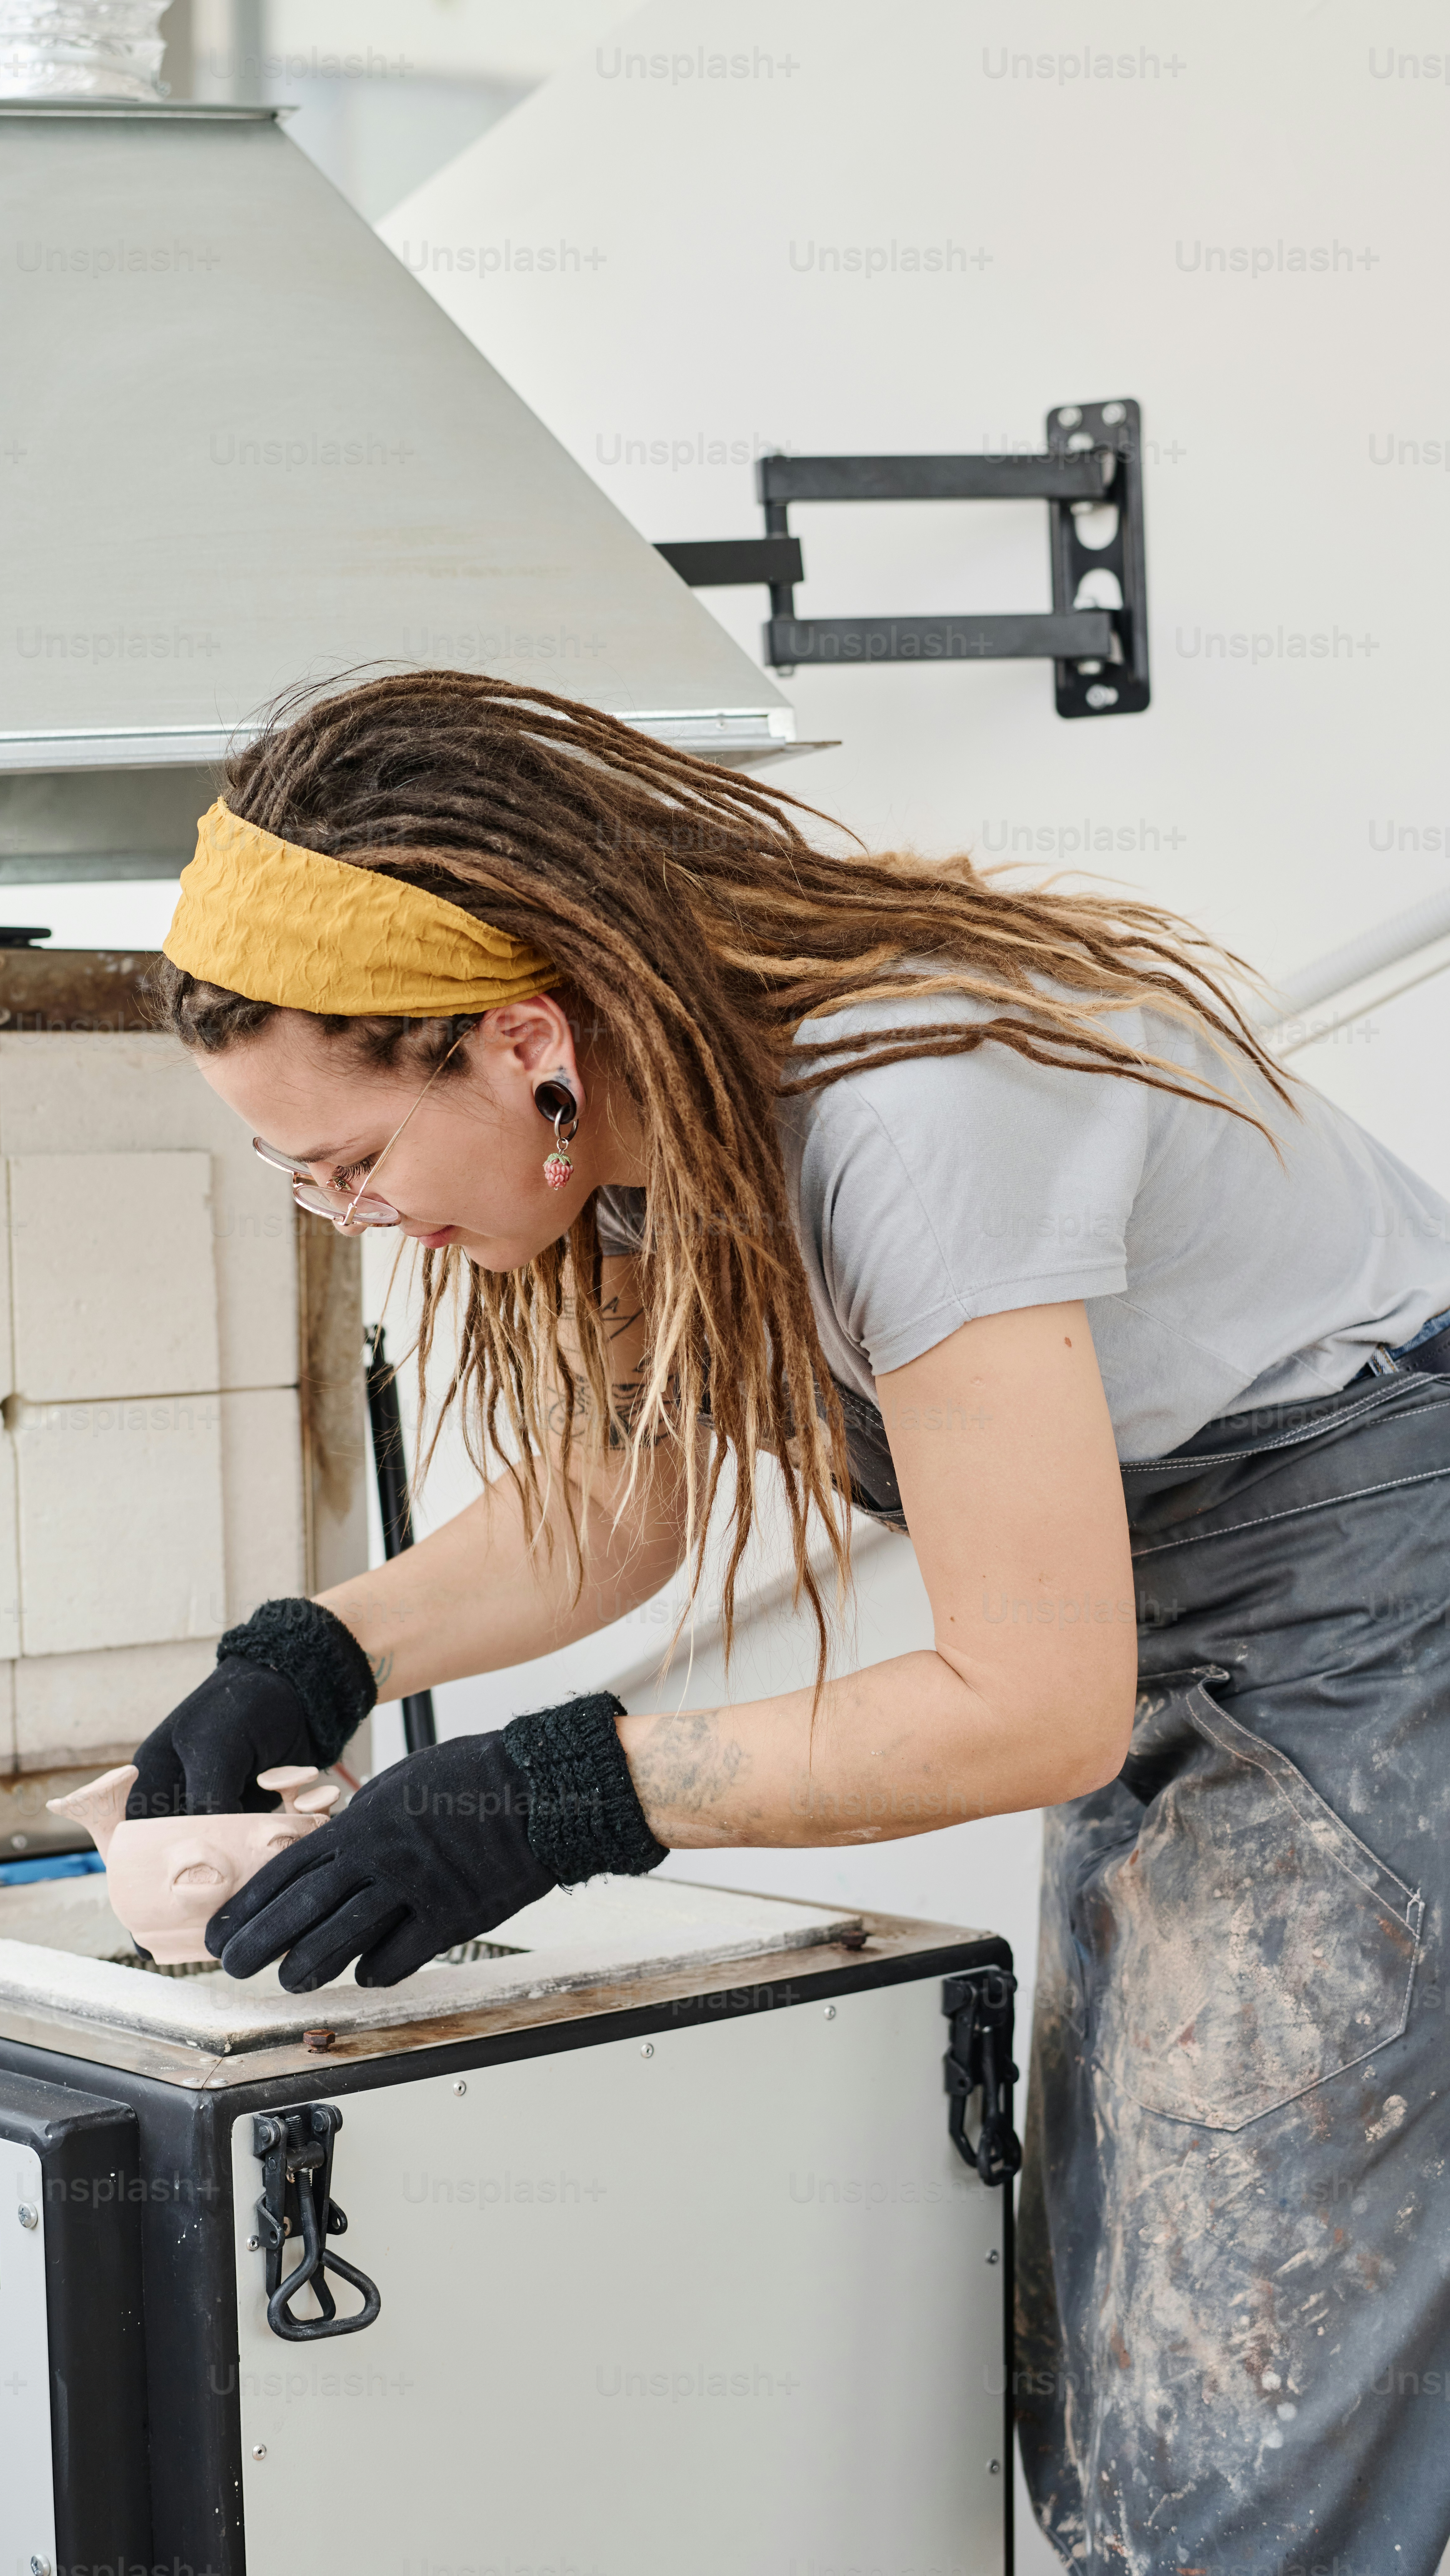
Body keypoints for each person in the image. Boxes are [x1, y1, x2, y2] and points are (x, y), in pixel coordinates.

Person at [135, 669, 1450, 2576]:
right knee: (1122, 2366)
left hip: (1376, 1628)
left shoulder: (906, 1110)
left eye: (353, 1165)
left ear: (518, 1044)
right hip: (1197, 1638)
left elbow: (1030, 1701)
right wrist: (318, 1651)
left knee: (1255, 2421)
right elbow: (621, 1503)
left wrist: (556, 1796)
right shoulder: (656, 1122)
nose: (360, 1218)